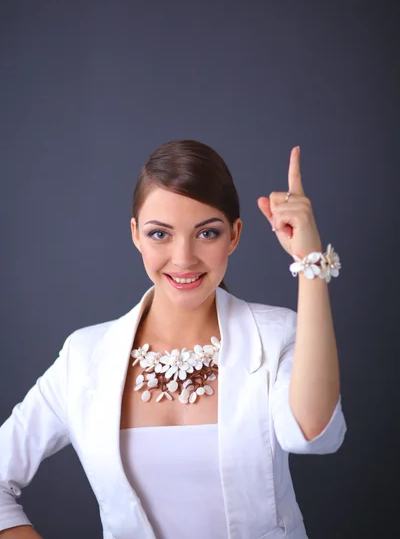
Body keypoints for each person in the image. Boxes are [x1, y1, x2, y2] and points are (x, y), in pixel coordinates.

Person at [0, 139, 346, 539]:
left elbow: (312, 434)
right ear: (135, 234)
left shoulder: (276, 334)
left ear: (234, 235)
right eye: (160, 234)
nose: (183, 258)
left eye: (207, 233)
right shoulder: (85, 356)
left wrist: (310, 264)